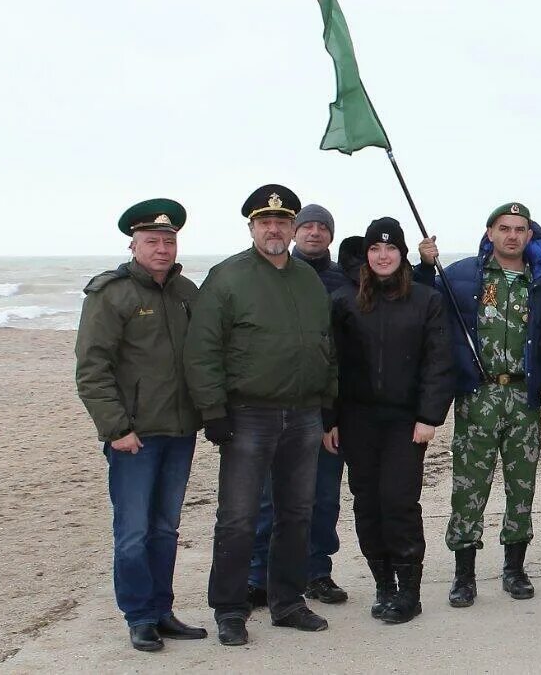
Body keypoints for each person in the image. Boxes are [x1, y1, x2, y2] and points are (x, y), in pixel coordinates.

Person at [184, 185, 337, 647]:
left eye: (282, 222)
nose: (274, 229)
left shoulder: (307, 279)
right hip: (249, 414)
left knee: (296, 513)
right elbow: (202, 348)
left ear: (292, 228)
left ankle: (287, 601)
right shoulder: (228, 277)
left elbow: (325, 346)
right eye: (264, 222)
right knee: (238, 517)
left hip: (305, 414)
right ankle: (230, 610)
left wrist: (328, 403)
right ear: (251, 226)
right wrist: (213, 410)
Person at [75, 199, 208, 653]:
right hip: (134, 435)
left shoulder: (188, 292)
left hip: (179, 431)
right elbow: (92, 368)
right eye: (152, 241)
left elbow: (203, 358)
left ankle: (163, 609)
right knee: (132, 530)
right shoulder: (111, 294)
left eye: (169, 241)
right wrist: (115, 428)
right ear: (133, 244)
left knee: (166, 528)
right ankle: (139, 616)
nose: (162, 249)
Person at [414, 201, 541, 607]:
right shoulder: (460, 275)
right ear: (490, 232)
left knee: (522, 487)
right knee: (469, 487)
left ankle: (514, 569)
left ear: (530, 236)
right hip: (477, 396)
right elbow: (421, 305)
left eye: (520, 229)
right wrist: (425, 266)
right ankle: (464, 575)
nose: (512, 235)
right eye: (504, 228)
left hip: (523, 397)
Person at [328, 217, 454, 624]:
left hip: (405, 421)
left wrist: (429, 415)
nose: (383, 256)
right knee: (367, 504)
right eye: (375, 249)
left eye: (391, 249)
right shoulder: (346, 302)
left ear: (402, 255)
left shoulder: (425, 299)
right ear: (366, 255)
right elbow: (331, 363)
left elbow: (439, 361)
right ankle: (383, 584)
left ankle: (409, 592)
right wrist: (329, 417)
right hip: (357, 418)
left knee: (398, 502)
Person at [247, 202, 349, 609]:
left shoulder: (346, 280)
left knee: (322, 497)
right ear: (293, 232)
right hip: (269, 408)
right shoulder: (265, 275)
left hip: (325, 408)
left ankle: (317, 572)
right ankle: (259, 575)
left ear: (330, 235)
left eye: (321, 227)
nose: (313, 233)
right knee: (269, 499)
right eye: (305, 225)